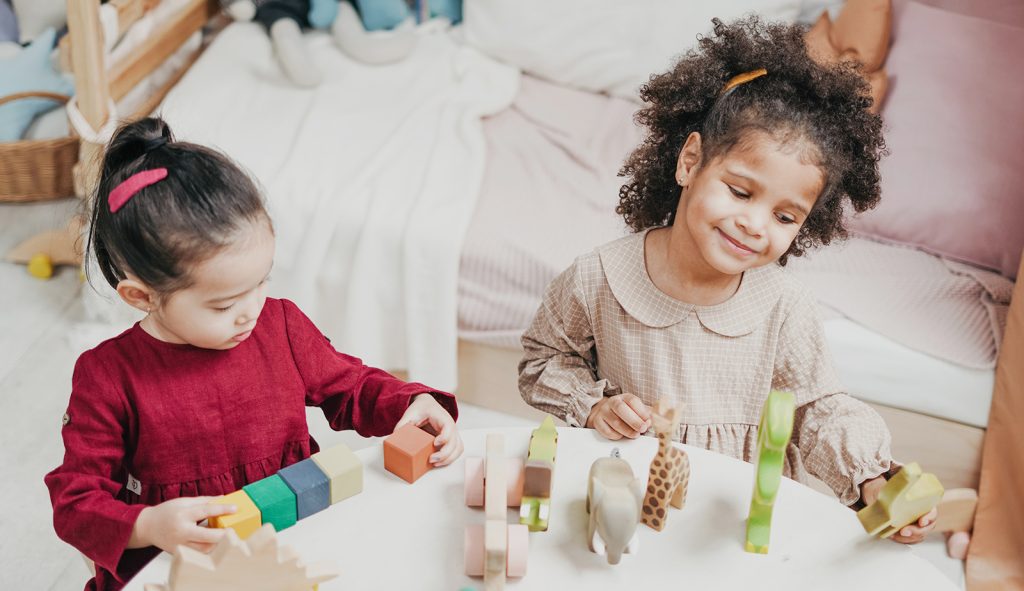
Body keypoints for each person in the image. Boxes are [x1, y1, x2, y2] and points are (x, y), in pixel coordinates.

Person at [519, 16, 935, 543]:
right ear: (690, 161)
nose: (755, 225)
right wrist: (594, 406)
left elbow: (818, 411)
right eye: (740, 192)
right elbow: (543, 361)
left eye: (785, 216)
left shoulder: (783, 306)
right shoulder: (598, 278)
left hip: (737, 522)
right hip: (627, 502)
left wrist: (872, 478)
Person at [45, 117, 463, 591]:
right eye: (224, 305)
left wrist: (412, 402)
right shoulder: (107, 376)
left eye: (262, 281)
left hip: (289, 539)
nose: (251, 312)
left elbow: (352, 387)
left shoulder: (280, 325)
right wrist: (147, 525)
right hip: (183, 563)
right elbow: (75, 501)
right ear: (141, 297)